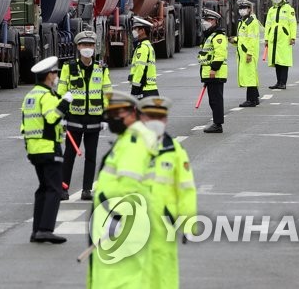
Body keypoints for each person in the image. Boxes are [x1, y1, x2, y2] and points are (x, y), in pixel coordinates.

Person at [87, 93, 158, 289]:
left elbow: (130, 185)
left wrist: (118, 221)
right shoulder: (127, 138)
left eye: (118, 113)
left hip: (119, 223)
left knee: (122, 279)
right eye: (110, 113)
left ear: (133, 113)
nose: (113, 118)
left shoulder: (134, 142)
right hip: (114, 220)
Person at [142, 96, 197, 289]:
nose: (156, 122)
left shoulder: (175, 151)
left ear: (165, 121)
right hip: (133, 226)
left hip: (164, 226)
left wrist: (188, 224)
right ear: (143, 120)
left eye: (160, 118)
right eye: (151, 117)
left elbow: (186, 190)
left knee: (165, 277)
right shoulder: (129, 148)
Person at [20, 56, 70, 244]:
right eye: (55, 73)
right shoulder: (47, 96)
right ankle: (45, 229)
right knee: (54, 189)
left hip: (34, 149)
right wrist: (64, 103)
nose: (56, 76)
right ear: (48, 76)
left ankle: (37, 230)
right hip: (49, 148)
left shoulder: (31, 95)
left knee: (43, 189)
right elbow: (52, 118)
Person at [58, 31, 112, 201]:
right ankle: (63, 188)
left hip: (95, 120)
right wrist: (61, 114)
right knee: (69, 156)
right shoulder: (68, 67)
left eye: (90, 45)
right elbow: (61, 92)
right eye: (84, 45)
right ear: (78, 47)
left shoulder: (101, 69)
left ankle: (87, 190)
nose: (87, 48)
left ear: (94, 48)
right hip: (74, 118)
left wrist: (106, 117)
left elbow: (107, 94)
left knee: (91, 156)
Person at [198, 9, 228, 133]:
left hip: (215, 73)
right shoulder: (210, 36)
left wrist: (213, 69)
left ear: (215, 21)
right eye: (206, 20)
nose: (206, 22)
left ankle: (218, 124)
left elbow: (220, 55)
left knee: (216, 100)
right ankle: (216, 122)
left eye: (209, 20)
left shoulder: (218, 36)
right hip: (210, 73)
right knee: (213, 100)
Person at [264, 0, 297, 90]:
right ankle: (278, 82)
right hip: (273, 38)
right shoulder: (271, 10)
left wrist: (293, 37)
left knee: (284, 61)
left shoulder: (288, 9)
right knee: (277, 61)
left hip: (284, 38)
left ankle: (283, 82)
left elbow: (293, 24)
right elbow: (267, 25)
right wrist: (266, 39)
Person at [233, 0, 262, 107]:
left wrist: (249, 53)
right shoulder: (243, 21)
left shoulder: (251, 22)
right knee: (250, 75)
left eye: (244, 8)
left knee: (250, 76)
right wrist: (234, 41)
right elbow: (243, 38)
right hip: (243, 52)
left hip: (248, 53)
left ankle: (251, 100)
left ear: (249, 9)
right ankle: (255, 98)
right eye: (240, 8)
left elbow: (252, 40)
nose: (242, 10)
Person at [128, 16, 158, 99]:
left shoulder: (143, 48)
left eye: (136, 29)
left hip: (144, 89)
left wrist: (135, 87)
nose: (134, 31)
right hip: (150, 88)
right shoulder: (148, 45)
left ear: (142, 31)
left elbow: (140, 68)